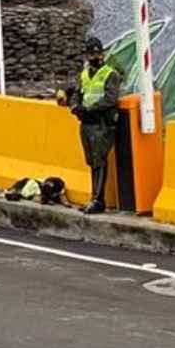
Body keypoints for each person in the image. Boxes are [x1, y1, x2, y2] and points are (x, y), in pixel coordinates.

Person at [58, 36, 122, 215]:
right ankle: (93, 196)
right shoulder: (84, 74)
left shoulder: (110, 74)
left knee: (99, 160)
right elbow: (78, 93)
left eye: (97, 53)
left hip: (102, 124)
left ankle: (98, 199)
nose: (94, 56)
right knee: (92, 161)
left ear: (102, 53)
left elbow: (110, 99)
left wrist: (89, 109)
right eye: (91, 53)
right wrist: (75, 107)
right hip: (86, 123)